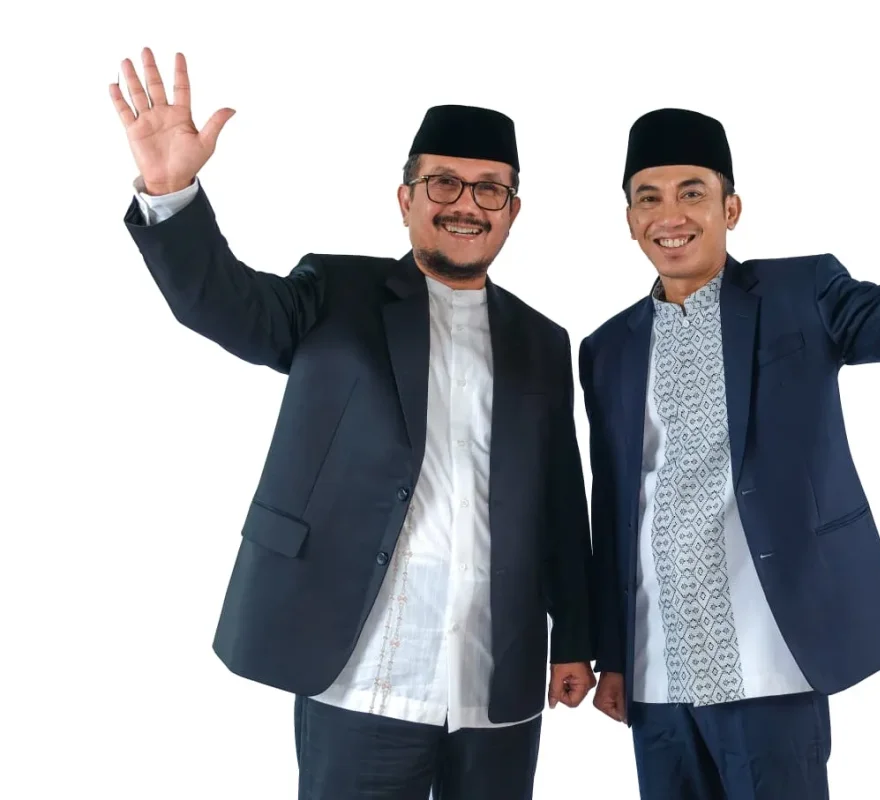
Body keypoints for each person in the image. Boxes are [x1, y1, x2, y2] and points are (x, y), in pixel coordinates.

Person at [110, 47, 595, 800]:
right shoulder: (337, 292)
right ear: (405, 198)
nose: (466, 203)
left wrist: (577, 637)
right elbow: (227, 305)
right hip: (363, 677)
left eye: (490, 189)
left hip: (494, 686)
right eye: (443, 182)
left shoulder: (542, 340)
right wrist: (173, 194)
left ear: (512, 211)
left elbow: (561, 502)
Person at [580, 63, 880, 798]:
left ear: (731, 207)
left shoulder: (799, 294)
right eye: (648, 198)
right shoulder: (606, 348)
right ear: (629, 219)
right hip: (658, 672)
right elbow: (615, 506)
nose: (669, 214)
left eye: (692, 193)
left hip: (770, 657)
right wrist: (612, 653)